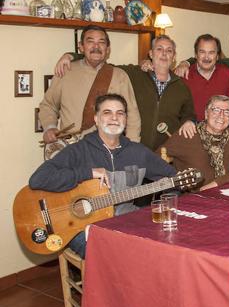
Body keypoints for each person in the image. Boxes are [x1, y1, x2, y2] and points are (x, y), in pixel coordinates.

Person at [29, 94, 178, 258]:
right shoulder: (79, 150)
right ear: (96, 119)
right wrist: (87, 172)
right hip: (80, 226)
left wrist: (168, 203)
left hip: (125, 219)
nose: (114, 118)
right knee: (113, 255)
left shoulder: (138, 152)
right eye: (107, 112)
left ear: (126, 119)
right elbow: (38, 179)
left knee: (158, 247)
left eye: (120, 113)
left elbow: (173, 178)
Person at [55, 35, 196, 151]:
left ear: (174, 56)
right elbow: (100, 63)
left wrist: (189, 121)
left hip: (165, 155)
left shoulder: (181, 86)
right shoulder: (133, 74)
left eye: (169, 50)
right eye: (159, 49)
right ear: (151, 54)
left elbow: (188, 113)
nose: (164, 54)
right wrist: (72, 56)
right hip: (132, 149)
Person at [41, 25, 140, 144]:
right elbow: (48, 105)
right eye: (90, 41)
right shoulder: (65, 71)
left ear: (107, 49)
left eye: (101, 42)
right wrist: (49, 127)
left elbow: (132, 117)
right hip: (70, 147)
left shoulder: (119, 76)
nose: (96, 47)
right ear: (81, 47)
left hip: (107, 147)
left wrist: (132, 148)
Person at [161, 95, 229, 190]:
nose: (221, 116)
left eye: (227, 112)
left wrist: (214, 184)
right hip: (189, 198)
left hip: (220, 193)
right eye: (216, 110)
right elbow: (154, 162)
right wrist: (173, 178)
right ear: (206, 114)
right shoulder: (187, 134)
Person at [182, 34, 229, 121]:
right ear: (196, 55)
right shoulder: (184, 74)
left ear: (217, 56)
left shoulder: (226, 73)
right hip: (192, 127)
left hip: (220, 126)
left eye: (211, 52)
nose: (206, 57)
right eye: (202, 52)